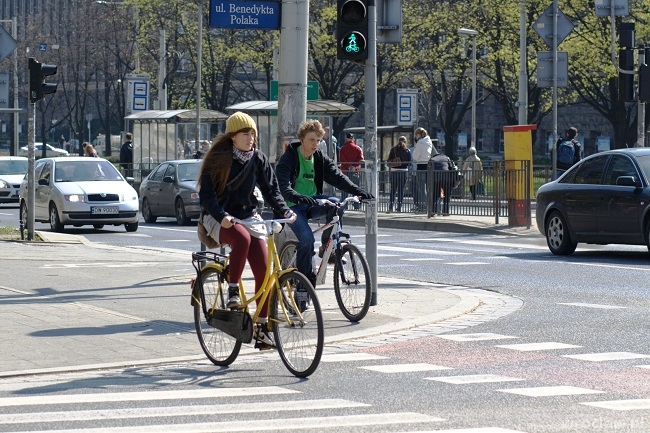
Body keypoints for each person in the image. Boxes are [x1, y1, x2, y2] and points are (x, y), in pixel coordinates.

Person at [197, 111, 296, 351]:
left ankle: (262, 328)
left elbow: (272, 190)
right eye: (245, 133)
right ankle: (233, 291)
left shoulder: (258, 158)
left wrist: (285, 211)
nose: (251, 137)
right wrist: (222, 217)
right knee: (241, 238)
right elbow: (206, 196)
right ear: (233, 137)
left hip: (248, 215)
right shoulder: (219, 158)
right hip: (219, 217)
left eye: (253, 132)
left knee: (264, 271)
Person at [276, 119, 374, 290]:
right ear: (302, 139)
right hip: (293, 206)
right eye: (311, 140)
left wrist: (357, 191)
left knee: (336, 204)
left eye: (319, 140)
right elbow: (283, 186)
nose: (315, 144)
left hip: (313, 202)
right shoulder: (289, 157)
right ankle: (303, 287)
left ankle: (326, 247)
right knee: (306, 239)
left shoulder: (319, 157)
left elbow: (337, 177)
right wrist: (298, 197)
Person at [338, 132, 364, 209]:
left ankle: (344, 206)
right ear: (353, 139)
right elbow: (360, 159)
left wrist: (348, 166)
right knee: (355, 189)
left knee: (345, 189)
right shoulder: (358, 148)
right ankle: (357, 206)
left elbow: (342, 160)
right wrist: (354, 166)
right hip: (355, 172)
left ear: (346, 138)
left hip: (345, 172)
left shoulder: (342, 148)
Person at [387, 136, 412, 213]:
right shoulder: (407, 151)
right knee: (401, 190)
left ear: (398, 141)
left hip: (394, 171)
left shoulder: (393, 149)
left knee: (393, 189)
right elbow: (409, 163)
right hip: (404, 172)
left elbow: (389, 160)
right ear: (405, 141)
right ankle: (399, 207)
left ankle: (391, 206)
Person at [411, 127, 433, 210]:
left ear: (418, 135)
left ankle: (423, 205)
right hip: (428, 165)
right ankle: (429, 206)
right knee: (428, 186)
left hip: (420, 165)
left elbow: (415, 156)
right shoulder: (429, 141)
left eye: (415, 136)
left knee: (421, 187)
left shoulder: (420, 143)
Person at [430, 147, 453, 216]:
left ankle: (433, 212)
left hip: (436, 177)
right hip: (446, 177)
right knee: (447, 195)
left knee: (435, 195)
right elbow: (451, 168)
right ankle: (445, 212)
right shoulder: (447, 158)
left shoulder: (432, 159)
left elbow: (428, 169)